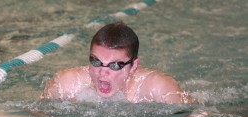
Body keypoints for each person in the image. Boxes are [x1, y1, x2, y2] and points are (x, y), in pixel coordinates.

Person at [40, 21, 192, 104]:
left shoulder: (158, 88)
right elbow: (38, 113)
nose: (103, 72)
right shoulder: (66, 84)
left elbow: (198, 116)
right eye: (97, 62)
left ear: (134, 66)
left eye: (115, 65)